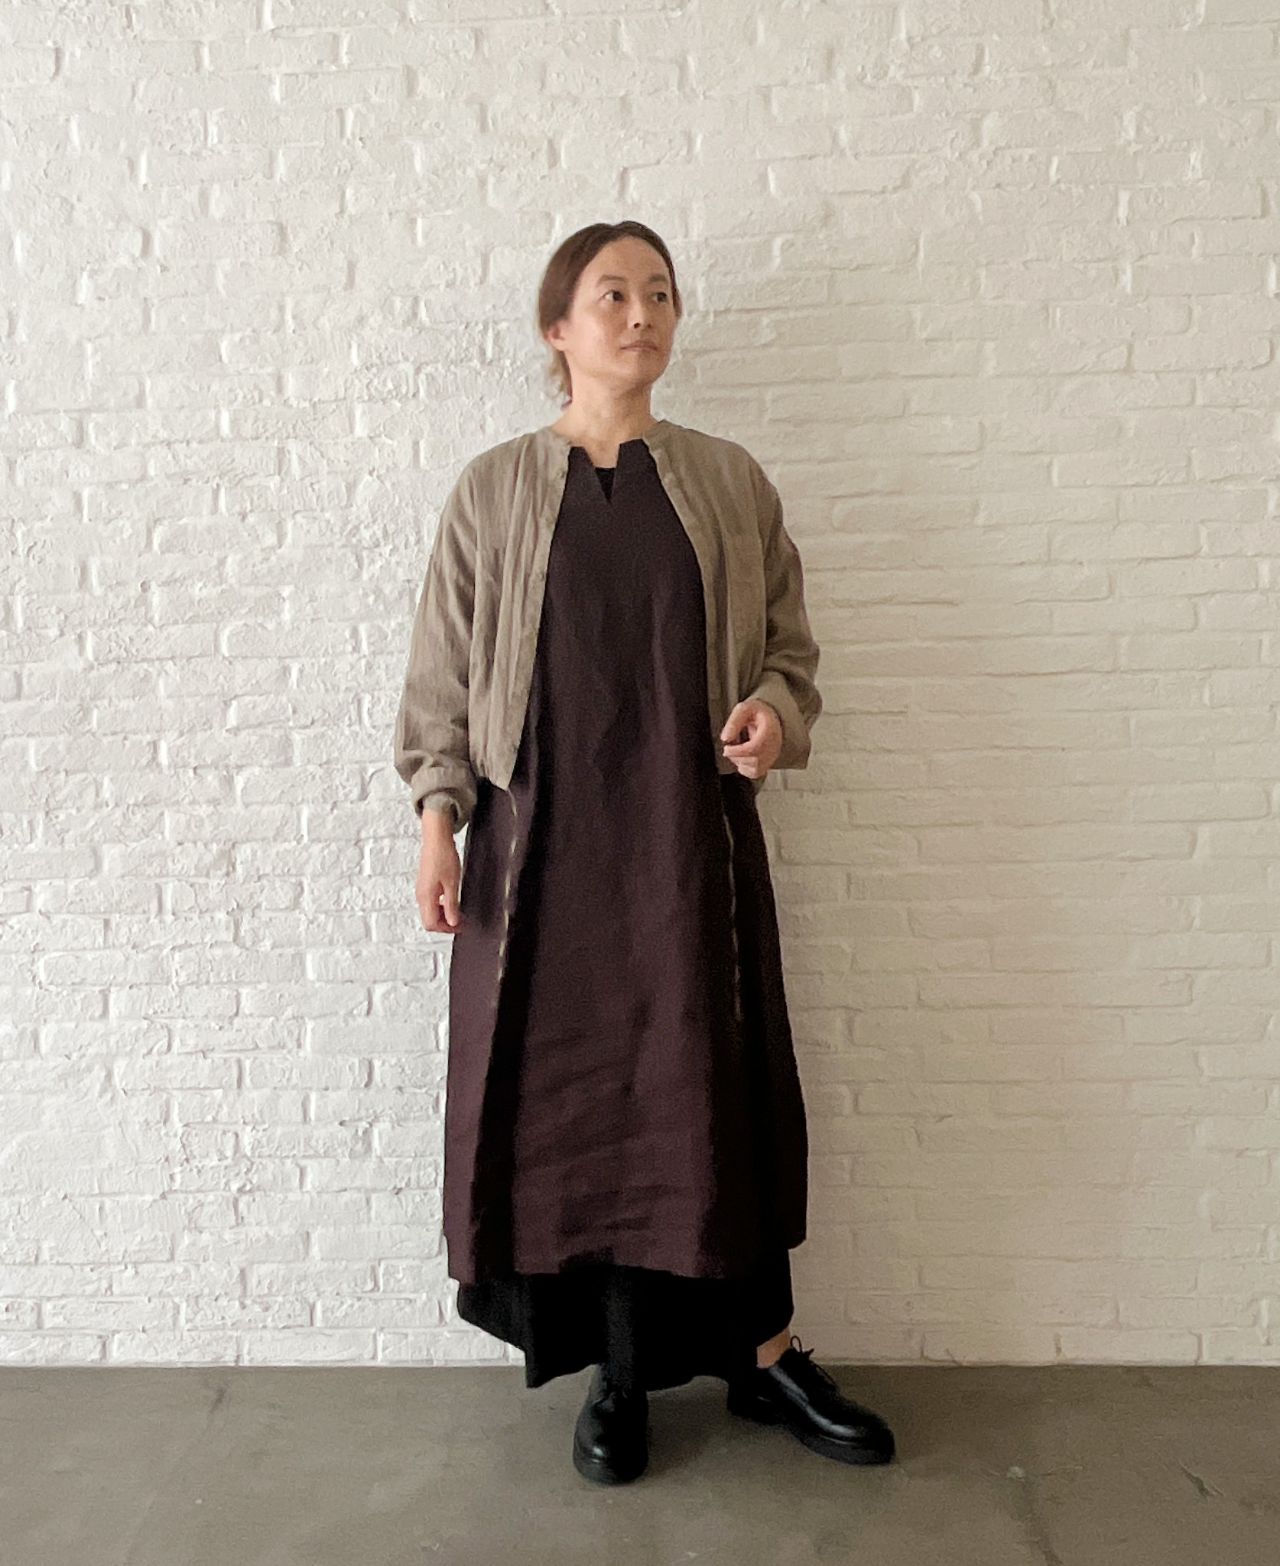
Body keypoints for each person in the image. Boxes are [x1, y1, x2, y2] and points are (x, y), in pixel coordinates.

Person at [394, 220, 896, 1483]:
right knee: (575, 1109)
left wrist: (770, 713)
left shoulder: (725, 482)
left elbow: (788, 650)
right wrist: (438, 821)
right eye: (611, 294)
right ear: (557, 329)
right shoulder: (494, 490)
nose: (640, 315)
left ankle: (765, 1356)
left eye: (659, 294)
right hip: (542, 857)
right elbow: (442, 676)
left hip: (688, 850)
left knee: (708, 1093)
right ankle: (615, 1375)